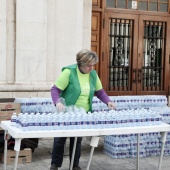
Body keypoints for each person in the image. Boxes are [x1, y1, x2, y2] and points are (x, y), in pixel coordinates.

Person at [50, 49, 116, 170]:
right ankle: (55, 165)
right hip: (66, 113)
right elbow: (55, 89)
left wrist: (108, 101)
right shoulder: (69, 72)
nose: (91, 68)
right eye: (88, 66)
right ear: (80, 63)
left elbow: (99, 91)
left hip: (82, 114)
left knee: (77, 140)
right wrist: (57, 102)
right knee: (60, 139)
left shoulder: (93, 74)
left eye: (93, 65)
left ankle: (74, 165)